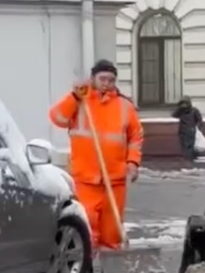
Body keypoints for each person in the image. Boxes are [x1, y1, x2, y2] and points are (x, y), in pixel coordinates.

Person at [48, 59, 143, 252]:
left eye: (111, 79)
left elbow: (136, 136)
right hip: (85, 179)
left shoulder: (124, 106)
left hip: (114, 181)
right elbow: (57, 117)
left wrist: (132, 162)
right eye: (102, 79)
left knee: (112, 233)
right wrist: (74, 97)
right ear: (93, 79)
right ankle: (86, 270)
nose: (107, 83)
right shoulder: (80, 101)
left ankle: (112, 271)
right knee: (86, 230)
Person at [171, 97, 203, 163]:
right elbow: (174, 115)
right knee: (184, 145)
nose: (184, 105)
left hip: (190, 130)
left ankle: (189, 159)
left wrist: (198, 128)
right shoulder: (181, 111)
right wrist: (179, 109)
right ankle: (188, 158)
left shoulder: (194, 111)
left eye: (185, 103)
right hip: (182, 131)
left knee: (189, 145)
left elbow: (199, 120)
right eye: (182, 104)